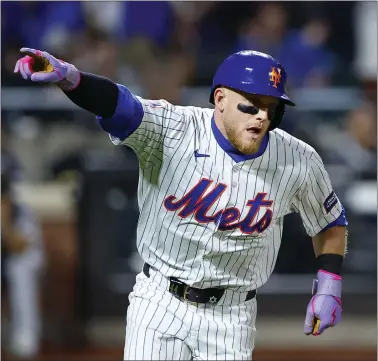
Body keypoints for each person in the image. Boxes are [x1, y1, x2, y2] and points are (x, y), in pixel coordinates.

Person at [14, 47, 348, 360]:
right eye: (251, 104)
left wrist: (329, 286)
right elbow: (120, 104)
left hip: (232, 315)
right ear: (220, 98)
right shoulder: (175, 128)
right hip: (160, 301)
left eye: (270, 108)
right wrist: (72, 79)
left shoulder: (298, 160)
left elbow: (329, 222)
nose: (261, 116)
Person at [1, 144, 45, 360]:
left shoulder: (20, 211)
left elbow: (19, 246)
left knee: (22, 265)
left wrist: (4, 220)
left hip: (13, 268)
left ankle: (25, 340)